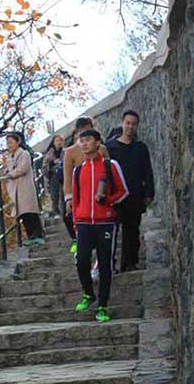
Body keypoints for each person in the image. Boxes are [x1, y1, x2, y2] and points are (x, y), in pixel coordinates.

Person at [72, 129, 129, 322]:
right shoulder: (78, 170)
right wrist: (76, 223)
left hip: (105, 222)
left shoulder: (110, 165)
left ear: (98, 143)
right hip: (83, 224)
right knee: (81, 260)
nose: (84, 143)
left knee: (105, 265)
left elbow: (123, 191)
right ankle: (89, 294)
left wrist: (109, 201)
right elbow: (76, 198)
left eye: (88, 140)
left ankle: (103, 306)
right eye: (82, 140)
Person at [105, 110, 155, 272]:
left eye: (133, 124)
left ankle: (130, 263)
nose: (130, 127)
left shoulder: (140, 148)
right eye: (128, 123)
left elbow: (147, 171)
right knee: (111, 231)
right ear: (122, 123)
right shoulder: (110, 148)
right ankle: (108, 265)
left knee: (132, 230)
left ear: (137, 126)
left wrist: (149, 193)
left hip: (134, 194)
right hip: (115, 196)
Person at [63, 117, 110, 253]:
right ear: (78, 131)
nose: (85, 133)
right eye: (82, 130)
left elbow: (109, 172)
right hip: (81, 194)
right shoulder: (70, 152)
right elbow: (68, 177)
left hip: (99, 192)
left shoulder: (102, 149)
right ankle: (79, 246)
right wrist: (69, 197)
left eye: (88, 129)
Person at [4, 132, 45, 246]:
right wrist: (7, 172)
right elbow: (9, 169)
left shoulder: (24, 154)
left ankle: (38, 235)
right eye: (8, 143)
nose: (9, 145)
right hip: (17, 189)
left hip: (25, 187)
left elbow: (23, 168)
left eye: (11, 142)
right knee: (23, 214)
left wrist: (11, 174)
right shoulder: (10, 156)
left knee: (30, 212)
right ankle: (30, 236)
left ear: (18, 142)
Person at [43, 134, 65, 217]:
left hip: (63, 175)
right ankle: (56, 210)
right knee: (54, 194)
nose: (59, 142)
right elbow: (44, 165)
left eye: (60, 140)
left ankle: (63, 211)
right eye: (57, 141)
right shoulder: (50, 152)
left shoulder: (65, 151)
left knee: (63, 193)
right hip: (53, 175)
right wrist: (52, 163)